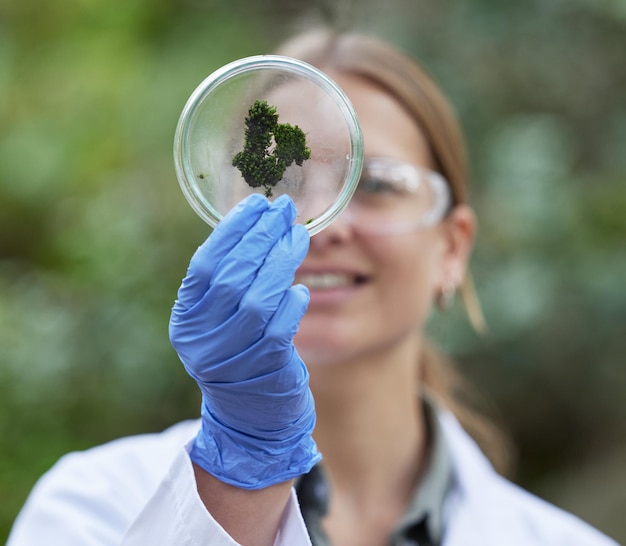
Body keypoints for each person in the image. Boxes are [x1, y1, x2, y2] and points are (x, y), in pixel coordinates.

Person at [7, 28, 618, 546]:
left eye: (374, 183)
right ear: (220, 222)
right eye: (275, 180)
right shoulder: (89, 509)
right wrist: (238, 478)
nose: (320, 224)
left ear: (452, 249)